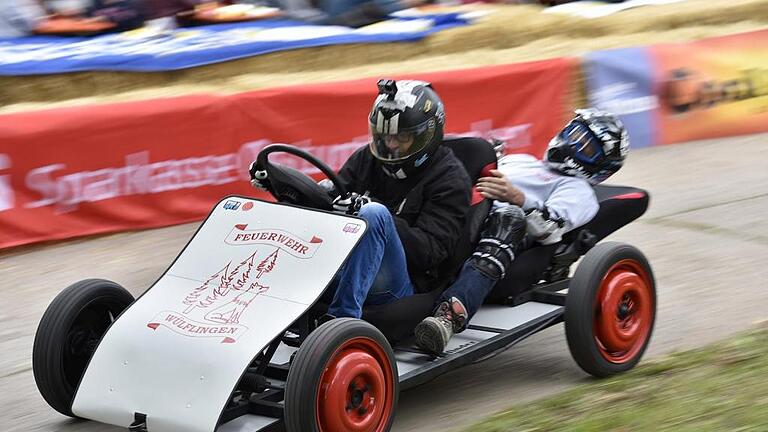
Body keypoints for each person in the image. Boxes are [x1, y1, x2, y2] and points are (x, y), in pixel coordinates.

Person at [413, 108, 629, 355]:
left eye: (586, 147)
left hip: (499, 235)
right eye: (574, 134)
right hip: (457, 214)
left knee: (510, 218)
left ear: (601, 165)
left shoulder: (578, 191)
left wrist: (516, 198)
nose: (573, 144)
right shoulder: (523, 160)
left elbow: (550, 229)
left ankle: (449, 317)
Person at [251, 79, 471, 320]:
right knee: (285, 209)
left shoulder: (450, 178)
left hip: (402, 286)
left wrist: (371, 213)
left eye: (402, 137)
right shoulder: (367, 159)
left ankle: (341, 319)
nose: (391, 144)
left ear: (427, 135)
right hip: (345, 267)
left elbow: (431, 253)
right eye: (385, 136)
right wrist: (281, 186)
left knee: (374, 214)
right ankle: (255, 301)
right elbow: (327, 202)